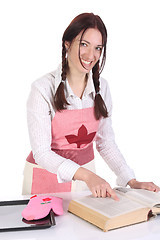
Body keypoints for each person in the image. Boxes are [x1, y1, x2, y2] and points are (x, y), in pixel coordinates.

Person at [22, 12, 160, 198]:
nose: (91, 55)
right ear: (67, 43)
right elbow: (42, 153)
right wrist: (88, 176)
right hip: (47, 179)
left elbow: (106, 143)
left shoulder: (102, 88)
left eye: (98, 48)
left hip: (86, 182)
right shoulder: (42, 89)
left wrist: (131, 180)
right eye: (84, 44)